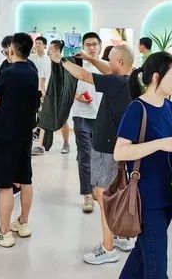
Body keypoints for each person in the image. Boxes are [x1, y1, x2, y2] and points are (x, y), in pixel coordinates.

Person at [114, 52, 172, 279]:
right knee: (157, 268)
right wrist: (160, 144)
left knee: (144, 255)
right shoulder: (137, 109)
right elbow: (119, 152)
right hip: (146, 199)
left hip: (169, 196)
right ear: (156, 77)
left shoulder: (170, 108)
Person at [50, 44, 136, 264]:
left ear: (119, 63)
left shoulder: (115, 81)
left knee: (103, 195)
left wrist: (61, 60)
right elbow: (107, 70)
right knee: (114, 191)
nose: (108, 63)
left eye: (111, 59)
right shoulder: (128, 80)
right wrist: (89, 58)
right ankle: (120, 236)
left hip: (106, 148)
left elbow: (83, 75)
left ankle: (108, 248)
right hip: (115, 145)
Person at [0, 33, 38, 248]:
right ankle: (23, 223)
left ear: (12, 50)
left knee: (5, 184)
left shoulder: (7, 73)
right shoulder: (33, 71)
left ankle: (3, 232)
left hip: (6, 134)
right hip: (25, 133)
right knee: (25, 179)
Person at [71, 32, 104, 213]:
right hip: (81, 115)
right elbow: (68, 90)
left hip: (102, 117)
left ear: (100, 46)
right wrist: (77, 96)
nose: (91, 47)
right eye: (88, 44)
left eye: (94, 44)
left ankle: (97, 189)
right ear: (83, 47)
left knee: (100, 156)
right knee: (85, 156)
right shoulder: (77, 66)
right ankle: (87, 195)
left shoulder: (105, 67)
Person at [33, 39, 72, 155]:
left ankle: (66, 144)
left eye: (51, 49)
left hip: (61, 96)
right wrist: (44, 94)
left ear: (58, 50)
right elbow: (42, 79)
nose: (49, 51)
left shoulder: (65, 63)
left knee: (63, 120)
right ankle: (40, 146)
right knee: (44, 120)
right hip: (48, 95)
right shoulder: (46, 62)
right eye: (49, 49)